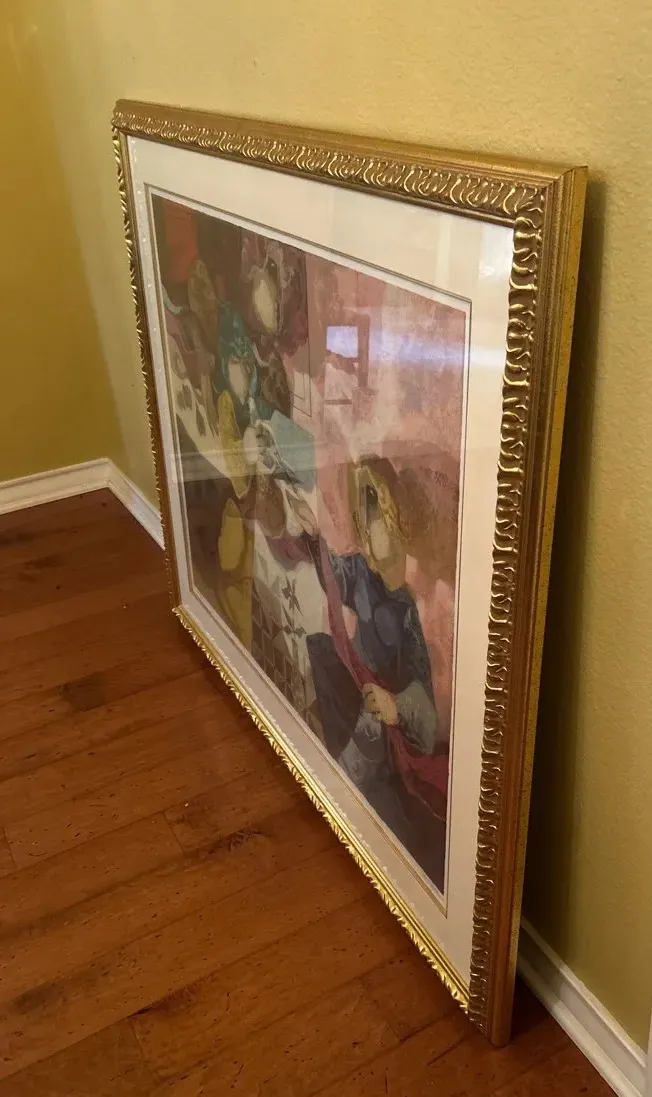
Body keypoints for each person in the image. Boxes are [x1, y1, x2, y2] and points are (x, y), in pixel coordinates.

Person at [285, 457, 449, 886]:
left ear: (395, 523)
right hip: (355, 680)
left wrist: (395, 705)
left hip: (383, 719)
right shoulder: (360, 568)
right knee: (320, 651)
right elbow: (334, 575)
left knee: (378, 779)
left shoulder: (409, 608)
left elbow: (424, 706)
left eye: (374, 516)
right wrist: (313, 534)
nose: (366, 529)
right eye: (362, 517)